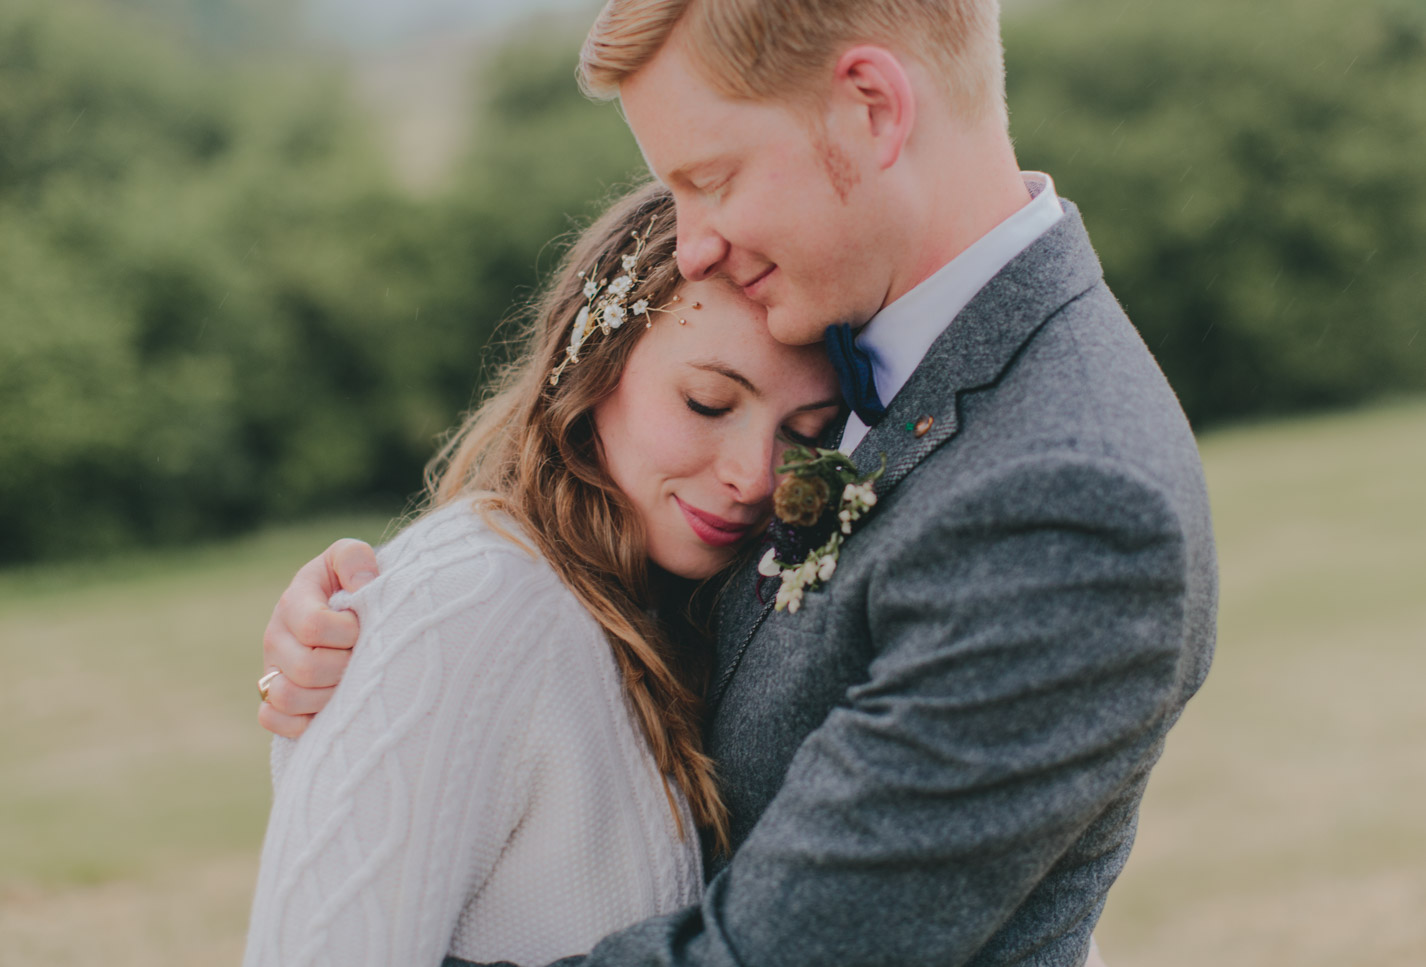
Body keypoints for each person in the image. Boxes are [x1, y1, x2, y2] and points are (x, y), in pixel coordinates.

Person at [260, 1, 1217, 964]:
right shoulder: (848, 354)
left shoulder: (1070, 498)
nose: (692, 245)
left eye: (710, 180)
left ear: (873, 108)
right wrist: (389, 634)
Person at [243, 182, 843, 967]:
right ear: (595, 365)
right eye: (707, 401)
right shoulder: (473, 599)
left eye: (807, 433)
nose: (756, 477)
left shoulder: (687, 604)